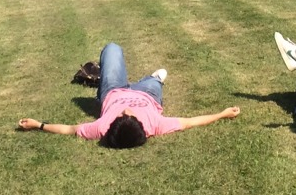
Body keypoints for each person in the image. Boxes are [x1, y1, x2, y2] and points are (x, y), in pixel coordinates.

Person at [17, 42, 240, 148]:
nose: (126, 110)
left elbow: (70, 129)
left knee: (112, 48)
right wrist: (222, 114)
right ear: (141, 126)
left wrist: (39, 125)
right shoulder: (156, 124)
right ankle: (153, 79)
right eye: (130, 116)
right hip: (148, 94)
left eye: (121, 116)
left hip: (113, 90)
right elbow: (191, 122)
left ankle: (117, 79)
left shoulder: (102, 127)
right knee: (158, 78)